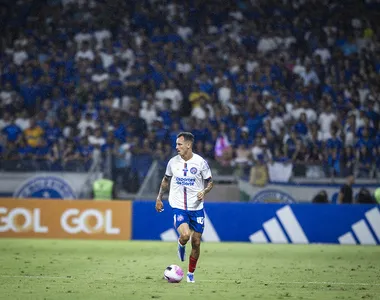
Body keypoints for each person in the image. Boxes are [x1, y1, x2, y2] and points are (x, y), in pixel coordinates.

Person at [155, 132, 214, 283]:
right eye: (176, 144)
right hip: (179, 206)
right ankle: (181, 244)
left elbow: (210, 182)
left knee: (196, 242)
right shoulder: (172, 162)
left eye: (179, 144)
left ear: (188, 145)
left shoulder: (200, 162)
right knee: (186, 235)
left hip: (197, 207)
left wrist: (204, 191)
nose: (176, 147)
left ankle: (190, 274)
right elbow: (165, 180)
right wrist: (159, 197)